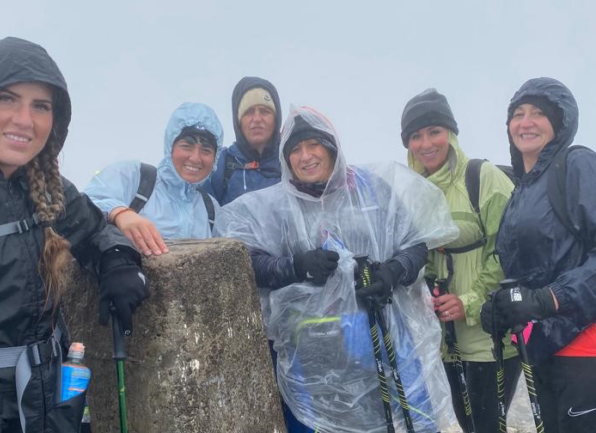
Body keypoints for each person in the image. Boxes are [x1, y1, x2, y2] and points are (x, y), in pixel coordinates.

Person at [0, 37, 149, 433]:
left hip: (49, 405)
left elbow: (93, 228)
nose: (24, 120)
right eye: (7, 99)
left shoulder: (44, 183)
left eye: (41, 106)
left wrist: (118, 261)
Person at [216, 105, 459, 432]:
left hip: (384, 332)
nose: (305, 157)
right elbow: (247, 261)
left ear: (332, 147)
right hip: (314, 348)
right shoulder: (274, 207)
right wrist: (296, 266)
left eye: (313, 145)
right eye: (295, 150)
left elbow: (414, 243)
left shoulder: (371, 190)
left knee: (406, 423)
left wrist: (392, 272)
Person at [400, 88, 521, 432]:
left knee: (486, 426)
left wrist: (468, 302)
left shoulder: (482, 177)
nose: (426, 144)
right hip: (445, 341)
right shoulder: (413, 192)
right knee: (468, 425)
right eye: (416, 136)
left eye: (434, 131)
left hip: (489, 334)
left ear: (451, 134)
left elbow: (507, 251)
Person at [481, 77, 596, 433]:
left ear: (560, 123)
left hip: (585, 347)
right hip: (542, 346)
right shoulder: (521, 191)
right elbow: (529, 270)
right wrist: (501, 305)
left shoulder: (577, 165)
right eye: (518, 113)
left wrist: (547, 299)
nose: (526, 121)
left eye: (539, 113)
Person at [84, 102, 223, 254]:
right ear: (170, 147)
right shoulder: (135, 176)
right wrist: (119, 212)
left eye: (206, 150)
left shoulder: (211, 209)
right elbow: (83, 205)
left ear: (215, 158)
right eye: (186, 146)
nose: (195, 158)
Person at [202, 76, 281, 205]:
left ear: (276, 119)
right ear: (238, 121)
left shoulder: (291, 161)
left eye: (265, 111)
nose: (257, 119)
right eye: (249, 112)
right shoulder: (221, 164)